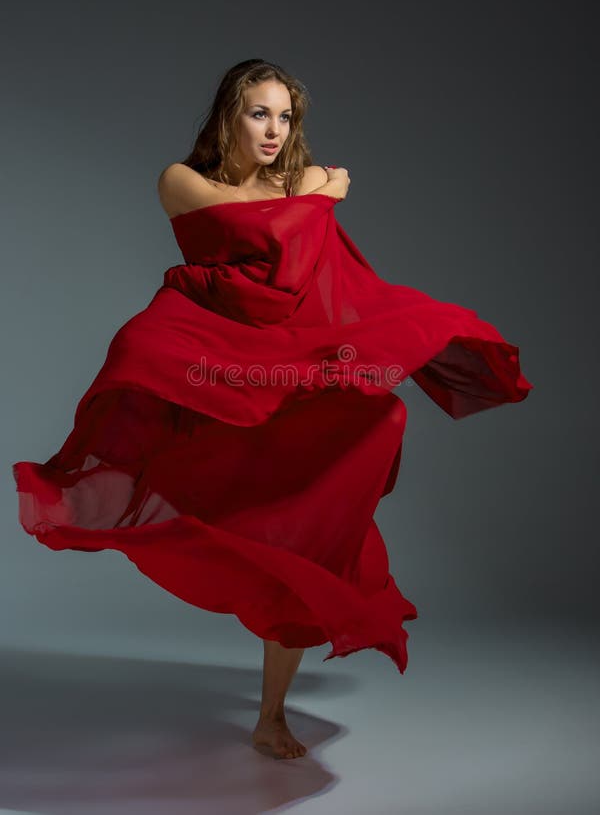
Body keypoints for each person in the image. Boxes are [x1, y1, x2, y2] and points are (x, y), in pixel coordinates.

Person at [12, 58, 533, 760]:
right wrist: (325, 189)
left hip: (285, 360)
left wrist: (314, 192)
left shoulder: (299, 191)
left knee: (372, 431)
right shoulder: (183, 180)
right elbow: (265, 239)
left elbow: (304, 272)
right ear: (229, 115)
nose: (276, 130)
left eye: (287, 117)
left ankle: (271, 714)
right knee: (149, 379)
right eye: (261, 113)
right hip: (212, 351)